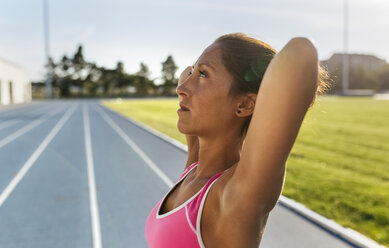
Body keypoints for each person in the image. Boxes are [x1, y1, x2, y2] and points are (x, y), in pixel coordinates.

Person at [145, 33, 330, 248]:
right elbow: (184, 75)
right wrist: (199, 69)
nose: (181, 88)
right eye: (193, 73)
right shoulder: (193, 170)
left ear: (244, 105)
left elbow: (301, 52)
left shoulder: (233, 197)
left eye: (203, 75)